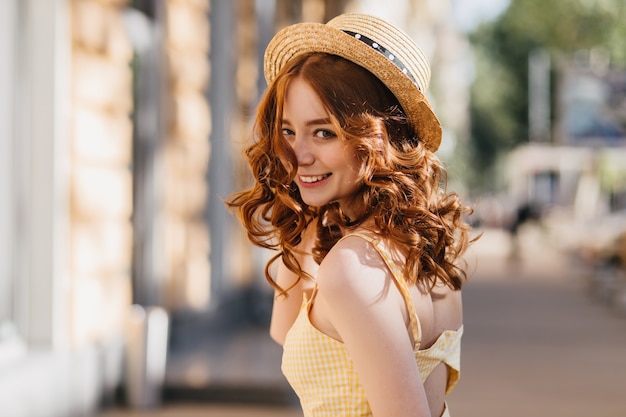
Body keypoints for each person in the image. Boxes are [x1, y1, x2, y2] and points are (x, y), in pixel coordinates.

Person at [227, 13, 474, 417]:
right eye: (289, 131)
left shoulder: (352, 268)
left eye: (324, 132)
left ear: (379, 136)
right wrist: (307, 203)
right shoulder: (428, 254)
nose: (298, 154)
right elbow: (286, 331)